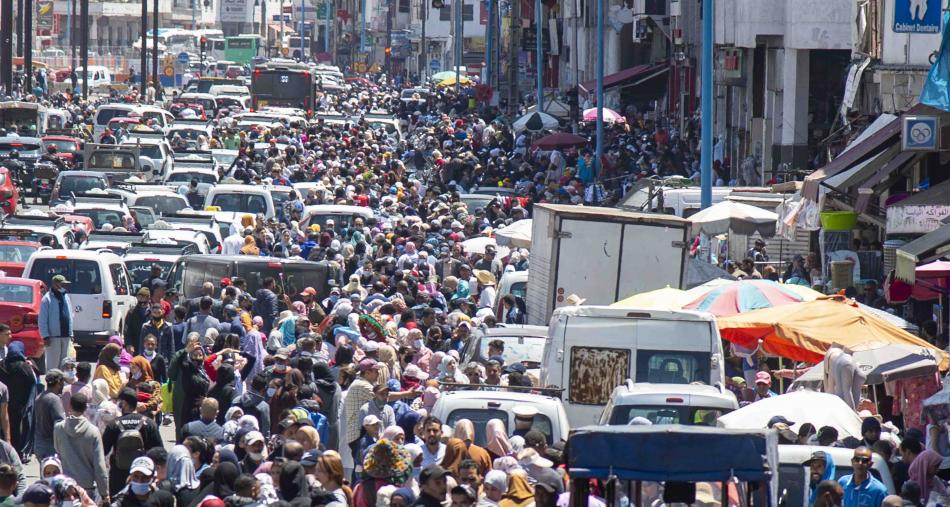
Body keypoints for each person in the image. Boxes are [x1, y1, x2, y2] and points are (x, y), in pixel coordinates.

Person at [102, 388, 164, 497]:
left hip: (118, 475)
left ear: (125, 403)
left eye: (120, 402)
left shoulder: (114, 424)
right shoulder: (149, 423)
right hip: (143, 475)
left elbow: (103, 451)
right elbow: (159, 451)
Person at [53, 392, 109, 503]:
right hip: (87, 487)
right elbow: (99, 465)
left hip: (65, 487)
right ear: (85, 407)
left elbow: (57, 451)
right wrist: (104, 493)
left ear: (70, 406)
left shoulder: (59, 428)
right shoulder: (93, 431)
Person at [0, 341, 37, 458]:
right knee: (17, 430)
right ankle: (16, 454)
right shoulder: (25, 367)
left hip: (4, 402)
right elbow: (34, 383)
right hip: (20, 404)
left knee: (3, 428)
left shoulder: (2, 365)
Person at [111, 456, 176, 507]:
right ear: (131, 477)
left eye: (145, 477)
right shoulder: (121, 501)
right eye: (136, 476)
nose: (140, 481)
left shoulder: (162, 499)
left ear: (153, 478)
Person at [39, 274, 73, 370]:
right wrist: (45, 336)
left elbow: (70, 315)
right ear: (55, 284)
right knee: (53, 365)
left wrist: (71, 333)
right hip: (53, 338)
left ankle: (62, 384)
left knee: (65, 364)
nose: (64, 286)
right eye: (62, 284)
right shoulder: (47, 299)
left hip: (66, 336)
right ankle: (52, 383)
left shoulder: (66, 296)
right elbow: (42, 319)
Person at [33, 369, 66, 460]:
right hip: (51, 446)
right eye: (63, 382)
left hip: (39, 443)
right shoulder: (54, 399)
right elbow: (59, 424)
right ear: (59, 382)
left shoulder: (40, 397)